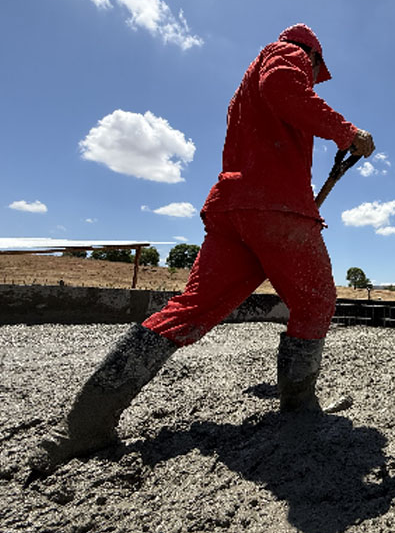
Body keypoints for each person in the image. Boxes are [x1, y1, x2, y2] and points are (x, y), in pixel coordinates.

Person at [29, 23, 375, 474]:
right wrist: (346, 132)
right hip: (275, 208)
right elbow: (284, 89)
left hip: (234, 209)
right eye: (316, 68)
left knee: (190, 309)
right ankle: (299, 408)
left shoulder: (245, 84)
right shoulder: (286, 55)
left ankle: (85, 423)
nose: (313, 74)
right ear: (311, 56)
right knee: (315, 302)